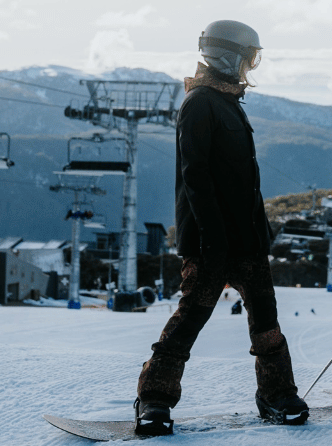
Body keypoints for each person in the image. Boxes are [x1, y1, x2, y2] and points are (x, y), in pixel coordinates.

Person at [133, 19, 306, 436]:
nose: (251, 66)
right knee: (190, 318)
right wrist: (212, 239)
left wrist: (260, 235)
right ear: (229, 56)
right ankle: (154, 400)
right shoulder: (200, 103)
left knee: (266, 322)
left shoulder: (229, 102)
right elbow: (196, 176)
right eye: (250, 58)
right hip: (211, 241)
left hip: (247, 240)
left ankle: (277, 395)